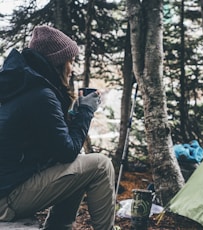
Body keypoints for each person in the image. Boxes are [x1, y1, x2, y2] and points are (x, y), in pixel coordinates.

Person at [0, 25, 116, 230]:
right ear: (57, 62)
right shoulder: (41, 95)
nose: (72, 68)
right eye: (70, 61)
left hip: (8, 187)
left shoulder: (25, 87)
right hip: (7, 199)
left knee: (79, 166)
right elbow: (67, 152)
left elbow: (54, 144)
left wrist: (74, 115)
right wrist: (86, 112)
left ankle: (59, 227)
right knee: (100, 165)